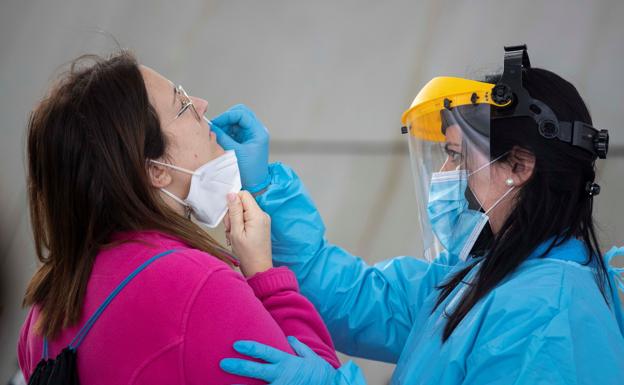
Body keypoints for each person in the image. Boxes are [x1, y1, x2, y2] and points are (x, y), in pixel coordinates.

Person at [214, 46, 624, 384]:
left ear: (519, 166)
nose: (445, 176)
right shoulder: (483, 278)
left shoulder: (548, 315)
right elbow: (353, 298)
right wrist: (266, 187)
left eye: (454, 156)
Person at [18, 51, 339, 385]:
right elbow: (322, 375)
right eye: (182, 104)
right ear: (156, 170)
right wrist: (267, 280)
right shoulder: (197, 284)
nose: (201, 104)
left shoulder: (41, 318)